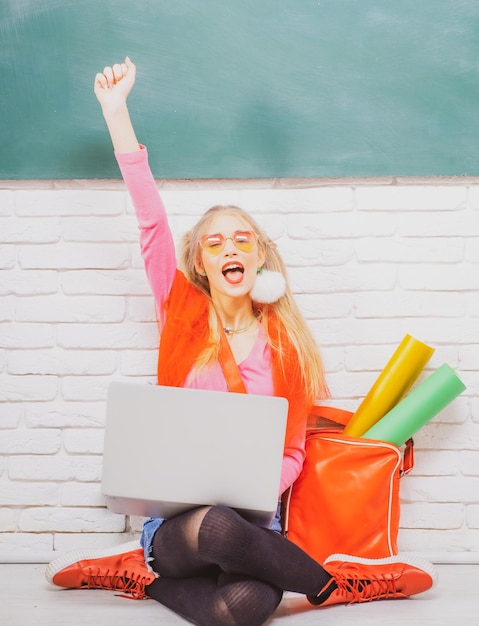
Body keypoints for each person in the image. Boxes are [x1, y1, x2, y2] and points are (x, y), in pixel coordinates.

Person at [45, 57, 438, 626]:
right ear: (202, 264)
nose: (229, 247)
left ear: (259, 257)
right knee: (215, 523)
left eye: (241, 239)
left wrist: (252, 486)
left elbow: (295, 454)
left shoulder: (290, 348)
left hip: (253, 530)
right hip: (180, 529)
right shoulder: (180, 312)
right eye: (215, 243)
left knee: (244, 607)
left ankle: (143, 579)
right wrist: (116, 112)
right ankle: (339, 585)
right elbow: (151, 220)